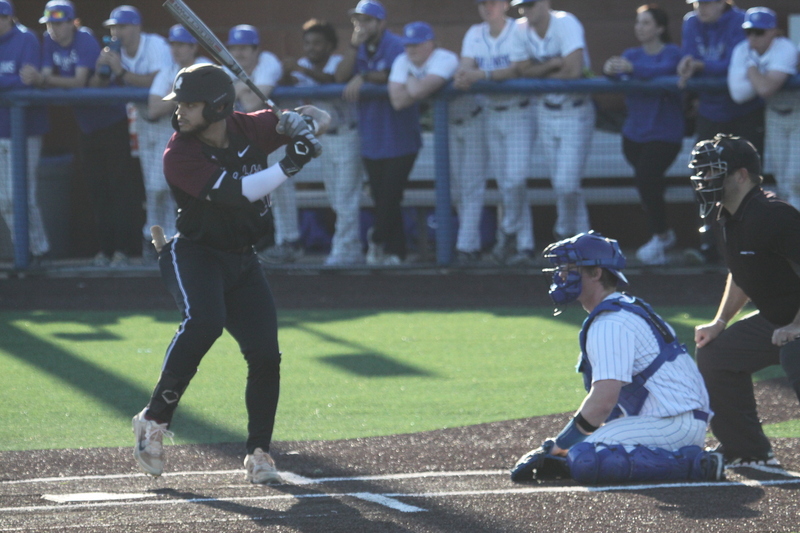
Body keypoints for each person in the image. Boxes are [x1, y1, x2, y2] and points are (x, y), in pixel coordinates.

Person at [130, 63, 329, 482]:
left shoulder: (249, 126)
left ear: (218, 106)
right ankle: (153, 420)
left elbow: (322, 116)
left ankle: (259, 453)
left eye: (190, 104)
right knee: (205, 322)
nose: (180, 111)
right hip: (196, 254)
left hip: (243, 258)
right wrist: (289, 164)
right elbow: (238, 195)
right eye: (179, 103)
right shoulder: (178, 153)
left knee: (265, 354)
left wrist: (301, 122)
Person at [510, 232, 724, 484]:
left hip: (671, 424)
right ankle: (686, 457)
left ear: (596, 273)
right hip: (671, 420)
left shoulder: (611, 322)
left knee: (584, 457)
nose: (562, 275)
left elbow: (603, 401)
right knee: (574, 453)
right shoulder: (621, 309)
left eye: (570, 268)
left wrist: (560, 445)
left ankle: (697, 465)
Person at [690, 133, 800, 467]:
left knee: (795, 354)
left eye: (712, 172)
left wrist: (797, 324)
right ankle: (748, 449)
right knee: (716, 353)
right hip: (777, 320)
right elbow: (741, 273)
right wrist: (720, 322)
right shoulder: (726, 217)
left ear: (740, 175)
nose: (704, 180)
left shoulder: (775, 215)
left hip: (794, 322)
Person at [24, 0, 138, 267]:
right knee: (97, 190)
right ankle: (105, 251)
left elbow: (78, 82)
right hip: (87, 126)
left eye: (60, 23)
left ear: (72, 23)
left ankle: (123, 250)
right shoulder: (48, 41)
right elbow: (44, 77)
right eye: (50, 23)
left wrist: (45, 81)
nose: (55, 29)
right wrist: (44, 80)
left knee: (118, 189)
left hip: (113, 122)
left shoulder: (85, 38)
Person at [677, 0, 763, 265]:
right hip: (709, 113)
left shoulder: (741, 21)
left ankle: (752, 245)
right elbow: (688, 58)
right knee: (705, 180)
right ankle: (710, 247)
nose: (702, 7)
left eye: (708, 2)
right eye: (697, 2)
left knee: (746, 181)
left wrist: (700, 66)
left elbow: (734, 65)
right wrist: (689, 67)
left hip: (743, 114)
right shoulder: (691, 22)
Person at [274, 19, 364, 266]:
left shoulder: (338, 64)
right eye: (307, 43)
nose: (311, 48)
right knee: (336, 199)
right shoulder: (301, 65)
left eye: (317, 43)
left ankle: (342, 252)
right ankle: (352, 249)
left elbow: (332, 80)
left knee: (346, 198)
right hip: (321, 140)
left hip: (347, 134)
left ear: (330, 45)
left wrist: (300, 71)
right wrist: (285, 73)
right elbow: (282, 87)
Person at [336, 0, 419, 266]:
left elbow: (393, 74)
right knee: (381, 196)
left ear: (381, 23)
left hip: (400, 136)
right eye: (357, 20)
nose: (361, 25)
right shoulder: (358, 47)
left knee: (390, 194)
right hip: (371, 136)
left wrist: (364, 77)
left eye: (367, 20)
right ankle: (396, 253)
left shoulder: (396, 45)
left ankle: (377, 238)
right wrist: (352, 46)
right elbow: (340, 76)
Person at [453, 0, 535, 267]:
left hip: (519, 110)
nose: (487, 7)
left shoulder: (519, 29)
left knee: (516, 179)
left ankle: (509, 232)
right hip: (490, 112)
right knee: (507, 183)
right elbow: (465, 66)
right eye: (482, 3)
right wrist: (465, 75)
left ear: (505, 5)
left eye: (493, 2)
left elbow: (516, 68)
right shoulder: (475, 33)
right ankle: (525, 245)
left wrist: (480, 74)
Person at [603, 4, 684, 266]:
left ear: (660, 28)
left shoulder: (673, 54)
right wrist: (611, 67)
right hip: (633, 135)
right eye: (638, 23)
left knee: (648, 178)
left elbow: (661, 72)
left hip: (664, 135)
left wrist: (631, 68)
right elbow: (617, 73)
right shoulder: (631, 54)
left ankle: (660, 236)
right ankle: (661, 236)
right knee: (648, 185)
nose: (640, 27)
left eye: (646, 23)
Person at [509, 0, 595, 245]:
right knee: (563, 184)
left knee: (566, 184)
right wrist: (553, 63)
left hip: (575, 110)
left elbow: (573, 71)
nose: (527, 10)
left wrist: (542, 71)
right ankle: (585, 244)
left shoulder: (565, 22)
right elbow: (522, 69)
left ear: (546, 3)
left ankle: (564, 229)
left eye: (532, 4)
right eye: (523, 6)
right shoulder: (520, 28)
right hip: (545, 112)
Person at [92, 5, 172, 264]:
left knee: (163, 186)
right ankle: (156, 243)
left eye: (122, 26)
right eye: (113, 27)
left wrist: (121, 72)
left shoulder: (156, 45)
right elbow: (97, 87)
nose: (117, 32)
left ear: (137, 27)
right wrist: (102, 68)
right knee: (152, 188)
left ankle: (167, 240)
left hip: (168, 121)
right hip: (141, 122)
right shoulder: (113, 52)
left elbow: (158, 82)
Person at [728, 7, 800, 210]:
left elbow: (766, 88)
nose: (752, 38)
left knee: (797, 177)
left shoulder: (784, 48)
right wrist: (763, 75)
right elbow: (738, 95)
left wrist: (751, 68)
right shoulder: (742, 49)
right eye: (748, 32)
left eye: (759, 32)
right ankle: (790, 225)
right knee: (782, 178)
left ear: (773, 32)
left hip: (797, 113)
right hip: (774, 114)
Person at [0, 0, 50, 265]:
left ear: (11, 18)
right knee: (4, 200)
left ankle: (39, 250)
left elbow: (27, 81)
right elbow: (15, 80)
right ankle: (26, 251)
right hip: (0, 131)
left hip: (26, 131)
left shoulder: (26, 38)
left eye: (2, 17)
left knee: (23, 196)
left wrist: (10, 82)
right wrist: (11, 81)